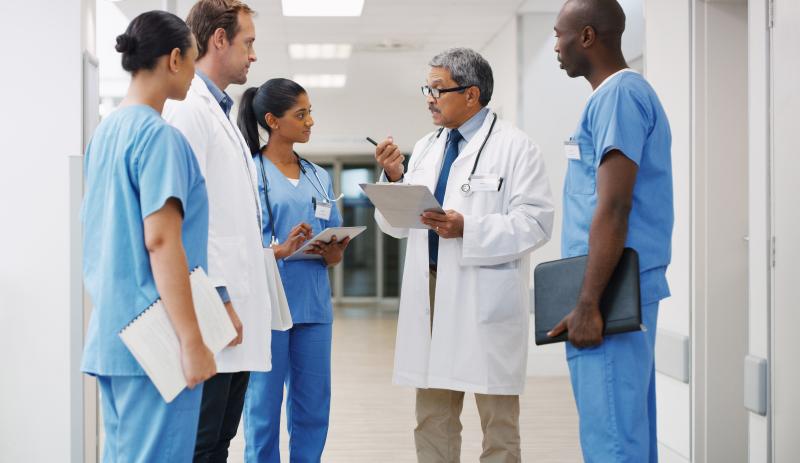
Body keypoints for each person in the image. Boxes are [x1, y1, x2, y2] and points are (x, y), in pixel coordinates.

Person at [373, 48, 554, 462]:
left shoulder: (515, 147)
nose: (429, 99)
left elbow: (537, 222)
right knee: (433, 417)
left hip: (483, 291)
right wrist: (395, 180)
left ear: (471, 94)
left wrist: (468, 228)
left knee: (498, 423)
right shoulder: (426, 147)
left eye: (438, 89)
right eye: (428, 89)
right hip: (431, 288)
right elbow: (400, 225)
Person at [80, 11, 216, 462]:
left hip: (114, 335)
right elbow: (161, 243)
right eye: (195, 61)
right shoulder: (160, 138)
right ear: (175, 59)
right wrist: (192, 340)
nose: (195, 73)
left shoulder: (106, 133)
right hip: (157, 341)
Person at [548, 1, 674, 461]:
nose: (555, 47)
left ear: (586, 36)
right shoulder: (618, 96)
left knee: (613, 441)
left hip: (609, 294)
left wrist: (588, 303)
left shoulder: (619, 96)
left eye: (559, 35)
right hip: (620, 288)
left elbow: (615, 205)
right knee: (627, 433)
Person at [162, 1, 272, 461]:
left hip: (230, 311)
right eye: (247, 43)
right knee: (202, 443)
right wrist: (220, 296)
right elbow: (181, 219)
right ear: (219, 39)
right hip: (214, 308)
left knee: (219, 440)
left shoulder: (220, 112)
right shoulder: (190, 111)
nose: (253, 56)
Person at [237, 78, 349, 463]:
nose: (310, 121)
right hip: (270, 308)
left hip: (314, 307)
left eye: (310, 112)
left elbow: (332, 233)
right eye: (301, 114)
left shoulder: (319, 175)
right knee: (263, 411)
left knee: (313, 408)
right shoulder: (249, 174)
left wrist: (333, 252)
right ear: (272, 120)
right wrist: (279, 249)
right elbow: (237, 244)